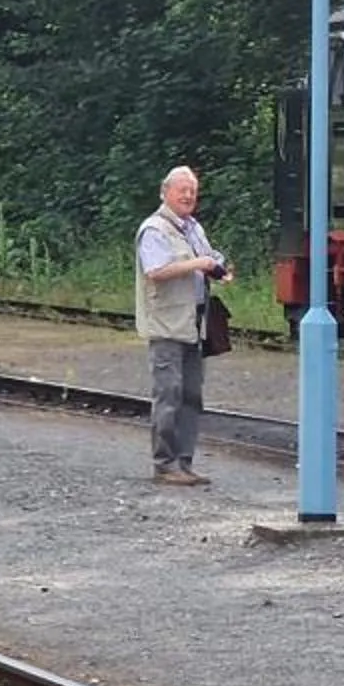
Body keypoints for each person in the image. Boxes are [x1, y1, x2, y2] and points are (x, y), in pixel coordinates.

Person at [134, 165, 229, 486]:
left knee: (191, 394)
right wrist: (199, 264)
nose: (188, 196)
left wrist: (218, 264)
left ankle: (184, 462)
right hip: (167, 325)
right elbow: (155, 270)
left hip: (194, 324)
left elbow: (207, 255)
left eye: (192, 191)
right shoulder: (154, 230)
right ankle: (165, 463)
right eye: (182, 190)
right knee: (168, 393)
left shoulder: (193, 228)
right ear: (166, 192)